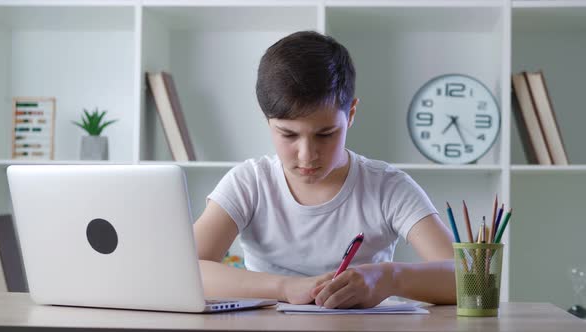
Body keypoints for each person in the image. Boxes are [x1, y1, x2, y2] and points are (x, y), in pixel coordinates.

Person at [193, 30, 455, 309]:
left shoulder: (386, 186)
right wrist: (285, 287)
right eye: (289, 135)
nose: (307, 155)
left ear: (351, 114)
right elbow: (186, 269)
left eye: (325, 134)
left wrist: (390, 278)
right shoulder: (249, 183)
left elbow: (468, 277)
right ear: (267, 120)